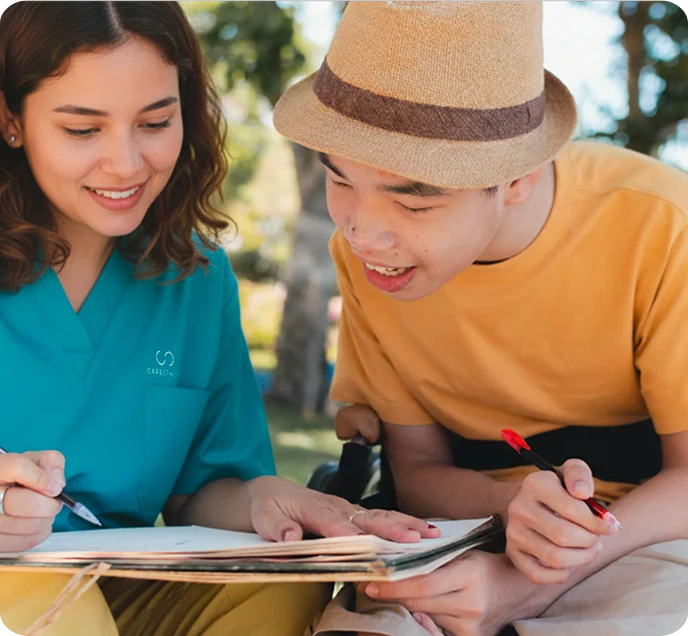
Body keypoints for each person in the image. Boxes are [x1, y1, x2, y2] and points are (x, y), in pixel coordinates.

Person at [0, 2, 440, 635]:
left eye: (155, 122)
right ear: (12, 120)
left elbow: (200, 492)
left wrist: (267, 500)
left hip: (123, 586)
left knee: (281, 593)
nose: (126, 163)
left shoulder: (197, 279)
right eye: (82, 130)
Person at [273, 1, 688, 635]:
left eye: (414, 203)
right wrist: (513, 509)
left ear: (518, 174)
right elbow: (413, 471)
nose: (364, 234)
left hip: (644, 534)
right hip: (463, 532)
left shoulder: (661, 227)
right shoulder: (363, 259)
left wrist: (526, 584)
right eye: (340, 180)